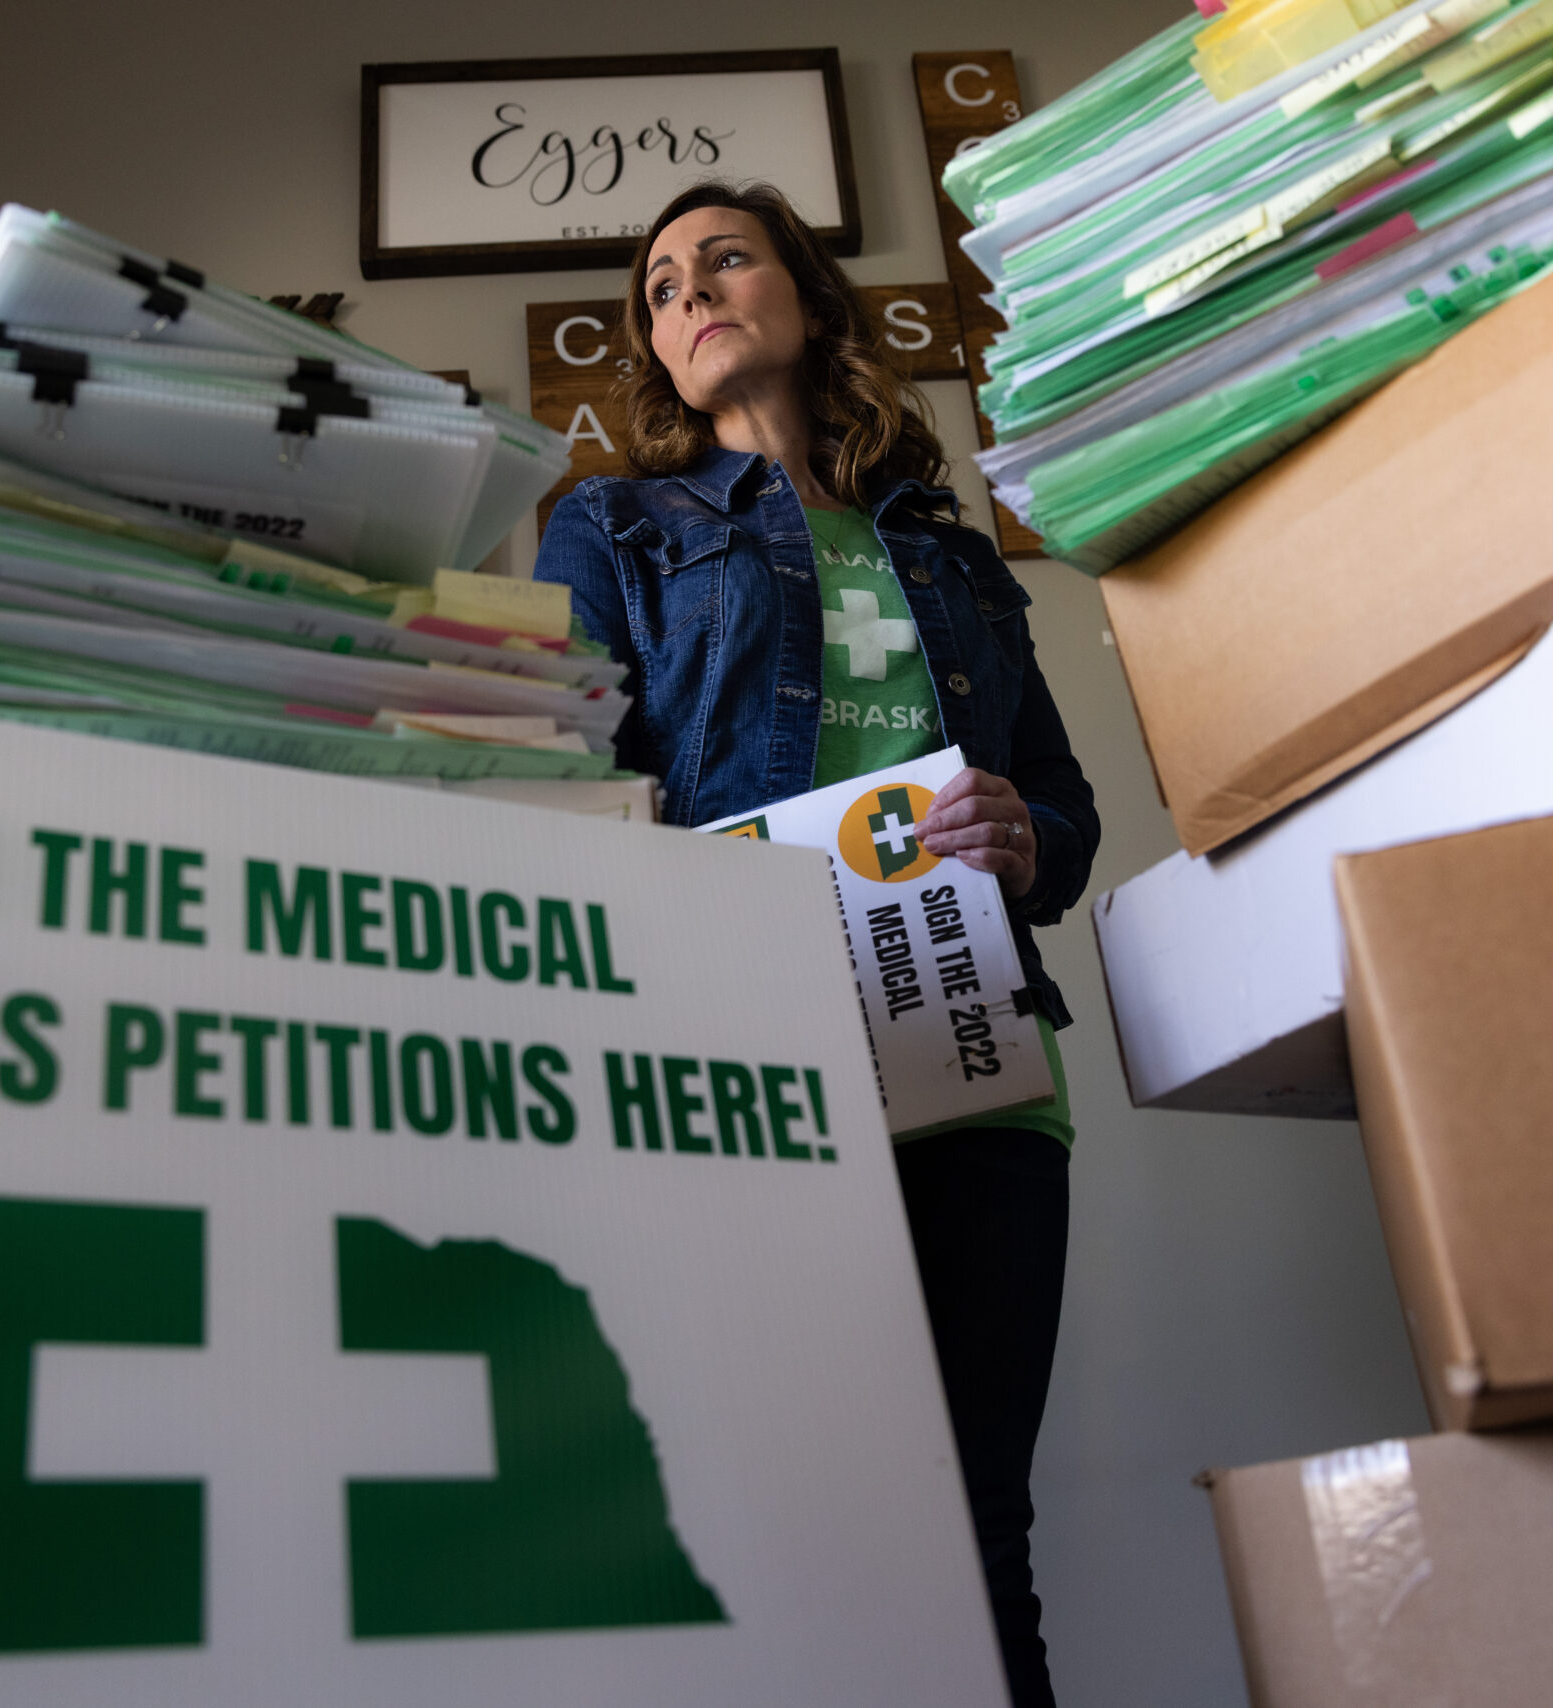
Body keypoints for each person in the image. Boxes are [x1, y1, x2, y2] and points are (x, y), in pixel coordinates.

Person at [532, 179, 1098, 1708]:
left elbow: (1062, 802)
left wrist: (1029, 836)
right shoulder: (611, 526)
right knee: (768, 1534)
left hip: (975, 1065)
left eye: (725, 260)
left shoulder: (955, 556)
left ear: (806, 295)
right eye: (662, 287)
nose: (692, 293)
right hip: (741, 1064)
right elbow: (561, 781)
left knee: (978, 1537)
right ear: (656, 350)